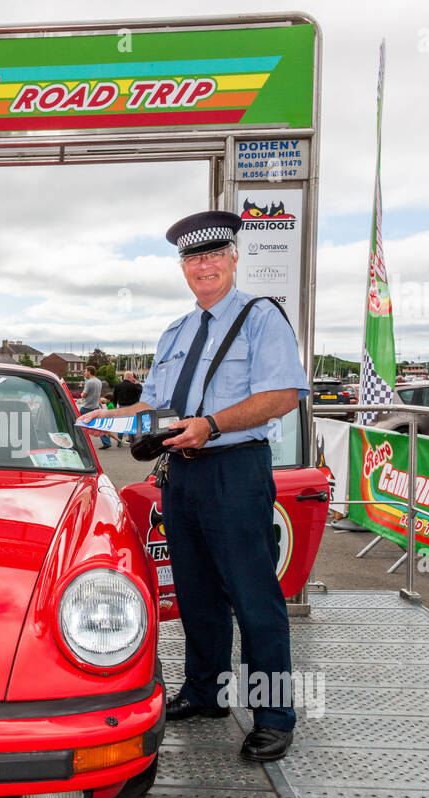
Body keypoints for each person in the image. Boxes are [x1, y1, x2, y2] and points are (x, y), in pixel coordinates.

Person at [79, 210, 309, 762]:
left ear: (233, 259)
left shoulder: (260, 317)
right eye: (191, 258)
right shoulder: (176, 331)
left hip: (235, 469)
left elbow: (284, 394)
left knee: (254, 598)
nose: (202, 265)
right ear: (183, 268)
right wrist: (89, 419)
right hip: (181, 473)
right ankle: (205, 692)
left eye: (212, 255)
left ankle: (273, 715)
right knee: (196, 594)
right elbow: (155, 407)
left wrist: (212, 424)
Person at [79, 366, 110, 449]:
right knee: (98, 426)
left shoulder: (89, 382)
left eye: (85, 371)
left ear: (89, 371)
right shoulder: (98, 381)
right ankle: (106, 442)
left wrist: (81, 393)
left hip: (87, 407)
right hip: (95, 406)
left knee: (78, 423)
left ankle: (81, 442)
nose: (84, 373)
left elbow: (84, 395)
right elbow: (96, 394)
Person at [111, 371, 142, 445]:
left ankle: (119, 441)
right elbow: (141, 391)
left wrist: (114, 407)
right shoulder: (134, 386)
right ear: (129, 377)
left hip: (122, 407)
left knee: (122, 424)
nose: (133, 378)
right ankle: (132, 442)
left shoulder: (118, 386)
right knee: (131, 425)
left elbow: (114, 397)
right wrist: (137, 383)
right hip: (132, 407)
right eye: (132, 377)